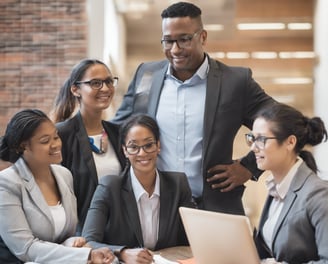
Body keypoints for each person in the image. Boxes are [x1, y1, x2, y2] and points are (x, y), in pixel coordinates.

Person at [112, 2, 277, 214]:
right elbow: (118, 128)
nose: (175, 49)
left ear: (203, 37)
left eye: (184, 40)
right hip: (155, 211)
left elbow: (280, 122)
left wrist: (249, 166)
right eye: (168, 41)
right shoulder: (147, 75)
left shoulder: (235, 81)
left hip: (214, 208)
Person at [0, 109, 115, 264]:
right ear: (23, 147)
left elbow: (64, 236)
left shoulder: (64, 175)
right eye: (45, 141)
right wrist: (86, 256)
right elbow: (25, 249)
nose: (56, 144)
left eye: (56, 136)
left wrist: (72, 242)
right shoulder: (6, 183)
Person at [82, 114, 194, 264]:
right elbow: (88, 241)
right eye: (134, 147)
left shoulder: (178, 184)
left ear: (158, 146)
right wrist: (122, 253)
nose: (142, 153)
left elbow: (193, 237)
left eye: (148, 145)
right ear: (125, 151)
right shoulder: (109, 186)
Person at [245, 103, 328, 263]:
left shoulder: (319, 195)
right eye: (252, 139)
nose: (254, 148)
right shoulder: (275, 189)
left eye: (261, 139)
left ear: (290, 142)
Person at [51, 59, 125, 233]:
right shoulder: (61, 135)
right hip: (80, 236)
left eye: (108, 81)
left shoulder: (119, 133)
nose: (106, 88)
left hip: (120, 234)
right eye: (95, 83)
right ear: (75, 89)